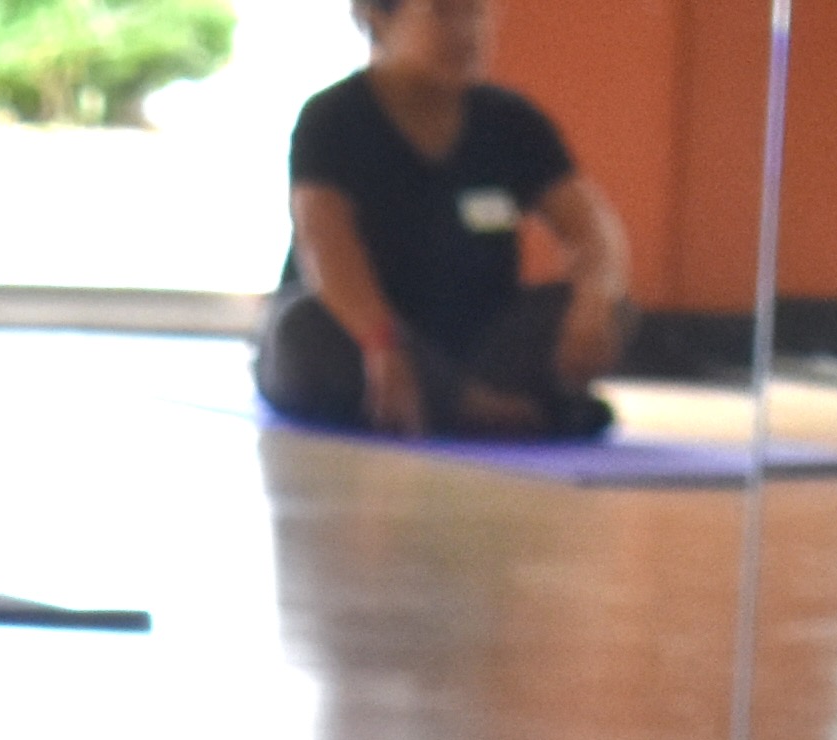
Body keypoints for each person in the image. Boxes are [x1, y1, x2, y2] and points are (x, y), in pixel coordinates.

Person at [260, 0, 634, 442]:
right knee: (303, 334)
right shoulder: (331, 119)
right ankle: (487, 407)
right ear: (376, 17)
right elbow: (323, 244)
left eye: (478, 12)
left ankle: (453, 402)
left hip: (479, 341)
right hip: (366, 332)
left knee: (619, 310)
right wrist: (380, 341)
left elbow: (591, 227)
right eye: (444, 12)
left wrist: (594, 300)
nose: (468, 30)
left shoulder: (513, 122)